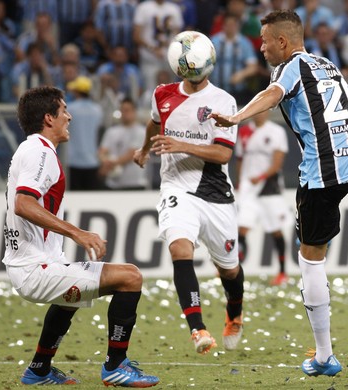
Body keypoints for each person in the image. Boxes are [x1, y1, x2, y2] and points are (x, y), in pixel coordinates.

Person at [209, 9, 348, 378]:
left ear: (282, 41)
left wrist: (236, 117)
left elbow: (272, 94)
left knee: (310, 259)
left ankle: (324, 356)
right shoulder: (328, 65)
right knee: (315, 248)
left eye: (263, 41)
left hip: (322, 175)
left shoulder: (288, 68)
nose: (260, 48)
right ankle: (323, 352)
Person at [3, 85, 159, 387]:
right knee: (131, 277)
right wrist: (78, 233)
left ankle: (39, 370)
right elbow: (23, 203)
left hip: (32, 263)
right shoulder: (40, 152)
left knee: (70, 299)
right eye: (64, 111)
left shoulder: (30, 148)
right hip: (34, 268)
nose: (70, 117)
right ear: (49, 118)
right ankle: (116, 365)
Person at [133, 32, 245, 355]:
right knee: (180, 249)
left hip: (215, 194)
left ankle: (234, 312)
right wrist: (143, 150)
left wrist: (181, 144)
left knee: (230, 270)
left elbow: (223, 155)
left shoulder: (224, 102)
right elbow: (155, 124)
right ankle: (197, 329)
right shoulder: (162, 95)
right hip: (176, 187)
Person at [235, 110, 291, 286]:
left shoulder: (276, 131)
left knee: (275, 230)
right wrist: (240, 181)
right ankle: (234, 272)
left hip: (269, 186)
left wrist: (260, 177)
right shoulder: (244, 131)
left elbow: (277, 162)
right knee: (241, 228)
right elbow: (240, 159)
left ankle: (282, 272)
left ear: (267, 113)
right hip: (248, 187)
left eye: (262, 111)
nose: (259, 114)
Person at [99, 97, 150, 190]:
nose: (124, 113)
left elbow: (132, 154)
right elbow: (102, 151)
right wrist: (104, 160)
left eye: (127, 110)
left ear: (134, 112)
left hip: (135, 183)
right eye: (122, 110)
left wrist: (110, 164)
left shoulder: (141, 132)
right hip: (113, 183)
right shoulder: (111, 131)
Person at [66, 75, 104, 190]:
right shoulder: (97, 110)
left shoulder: (70, 109)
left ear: (77, 92)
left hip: (73, 160)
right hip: (92, 160)